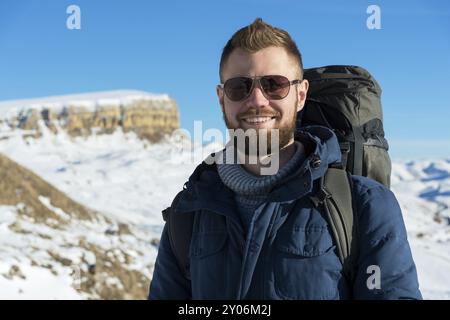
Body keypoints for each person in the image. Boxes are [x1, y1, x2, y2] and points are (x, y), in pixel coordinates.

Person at [149, 18, 422, 300]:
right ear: (221, 98)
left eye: (274, 85)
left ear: (300, 95)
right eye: (239, 87)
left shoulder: (365, 204)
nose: (257, 100)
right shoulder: (188, 213)